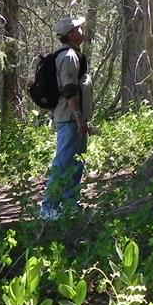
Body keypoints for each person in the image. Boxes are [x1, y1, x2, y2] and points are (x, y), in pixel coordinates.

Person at [39, 15, 93, 220]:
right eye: (78, 28)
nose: (82, 30)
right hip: (69, 119)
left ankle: (71, 204)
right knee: (63, 162)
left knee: (77, 162)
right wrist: (79, 117)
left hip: (74, 118)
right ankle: (48, 207)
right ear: (71, 34)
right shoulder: (69, 56)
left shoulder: (71, 54)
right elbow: (69, 90)